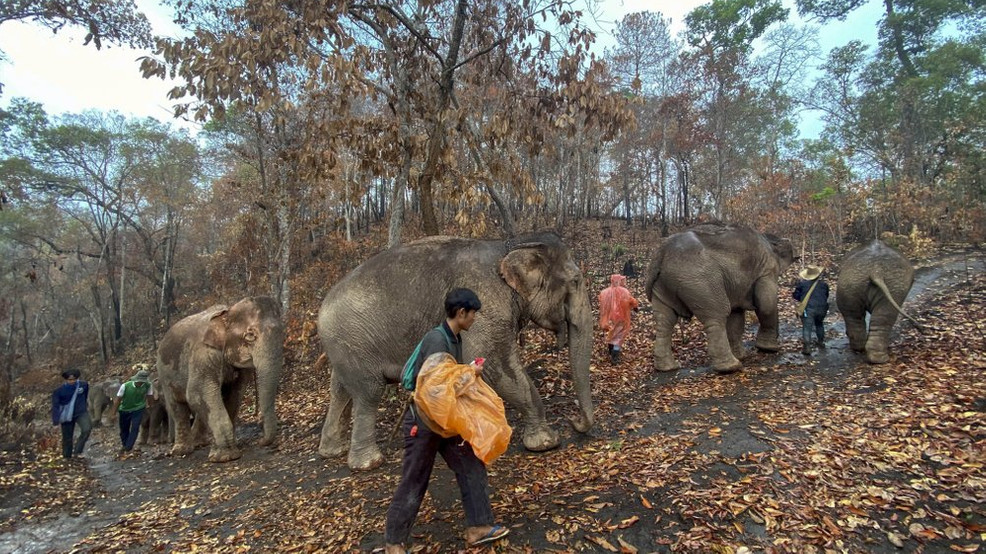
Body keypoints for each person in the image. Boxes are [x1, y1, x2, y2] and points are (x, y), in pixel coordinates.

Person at [384, 288, 509, 553]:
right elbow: (435, 391)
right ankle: (394, 542)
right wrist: (470, 373)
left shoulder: (455, 338)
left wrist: (467, 373)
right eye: (473, 313)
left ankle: (479, 527)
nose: (475, 318)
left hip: (446, 422)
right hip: (425, 423)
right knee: (415, 479)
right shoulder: (437, 340)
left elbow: (449, 382)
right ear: (461, 313)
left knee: (472, 465)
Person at [112, 365, 156, 454]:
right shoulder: (125, 386)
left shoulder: (148, 385)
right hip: (124, 409)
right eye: (139, 381)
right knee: (124, 430)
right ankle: (125, 445)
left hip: (138, 409)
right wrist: (113, 413)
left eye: (143, 381)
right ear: (136, 379)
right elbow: (118, 400)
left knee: (135, 427)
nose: (141, 383)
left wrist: (151, 407)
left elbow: (150, 396)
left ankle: (129, 447)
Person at [598, 273, 640, 364]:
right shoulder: (624, 291)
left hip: (608, 319)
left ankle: (610, 351)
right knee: (619, 337)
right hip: (621, 318)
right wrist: (635, 307)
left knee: (611, 333)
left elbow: (601, 301)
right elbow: (631, 300)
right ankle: (615, 355)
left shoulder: (604, 292)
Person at [50, 368, 91, 460]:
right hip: (66, 416)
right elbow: (55, 406)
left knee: (87, 429)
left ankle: (78, 451)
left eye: (74, 379)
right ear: (66, 380)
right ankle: (67, 457)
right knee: (67, 438)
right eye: (70, 380)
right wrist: (55, 422)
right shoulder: (59, 391)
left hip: (81, 413)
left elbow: (85, 395)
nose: (72, 381)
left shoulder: (83, 385)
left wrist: (83, 406)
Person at [793, 265, 830, 356]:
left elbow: (796, 296)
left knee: (807, 327)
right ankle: (821, 342)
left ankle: (807, 347)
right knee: (819, 324)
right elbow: (826, 295)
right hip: (822, 309)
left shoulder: (802, 284)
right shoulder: (824, 285)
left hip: (808, 309)